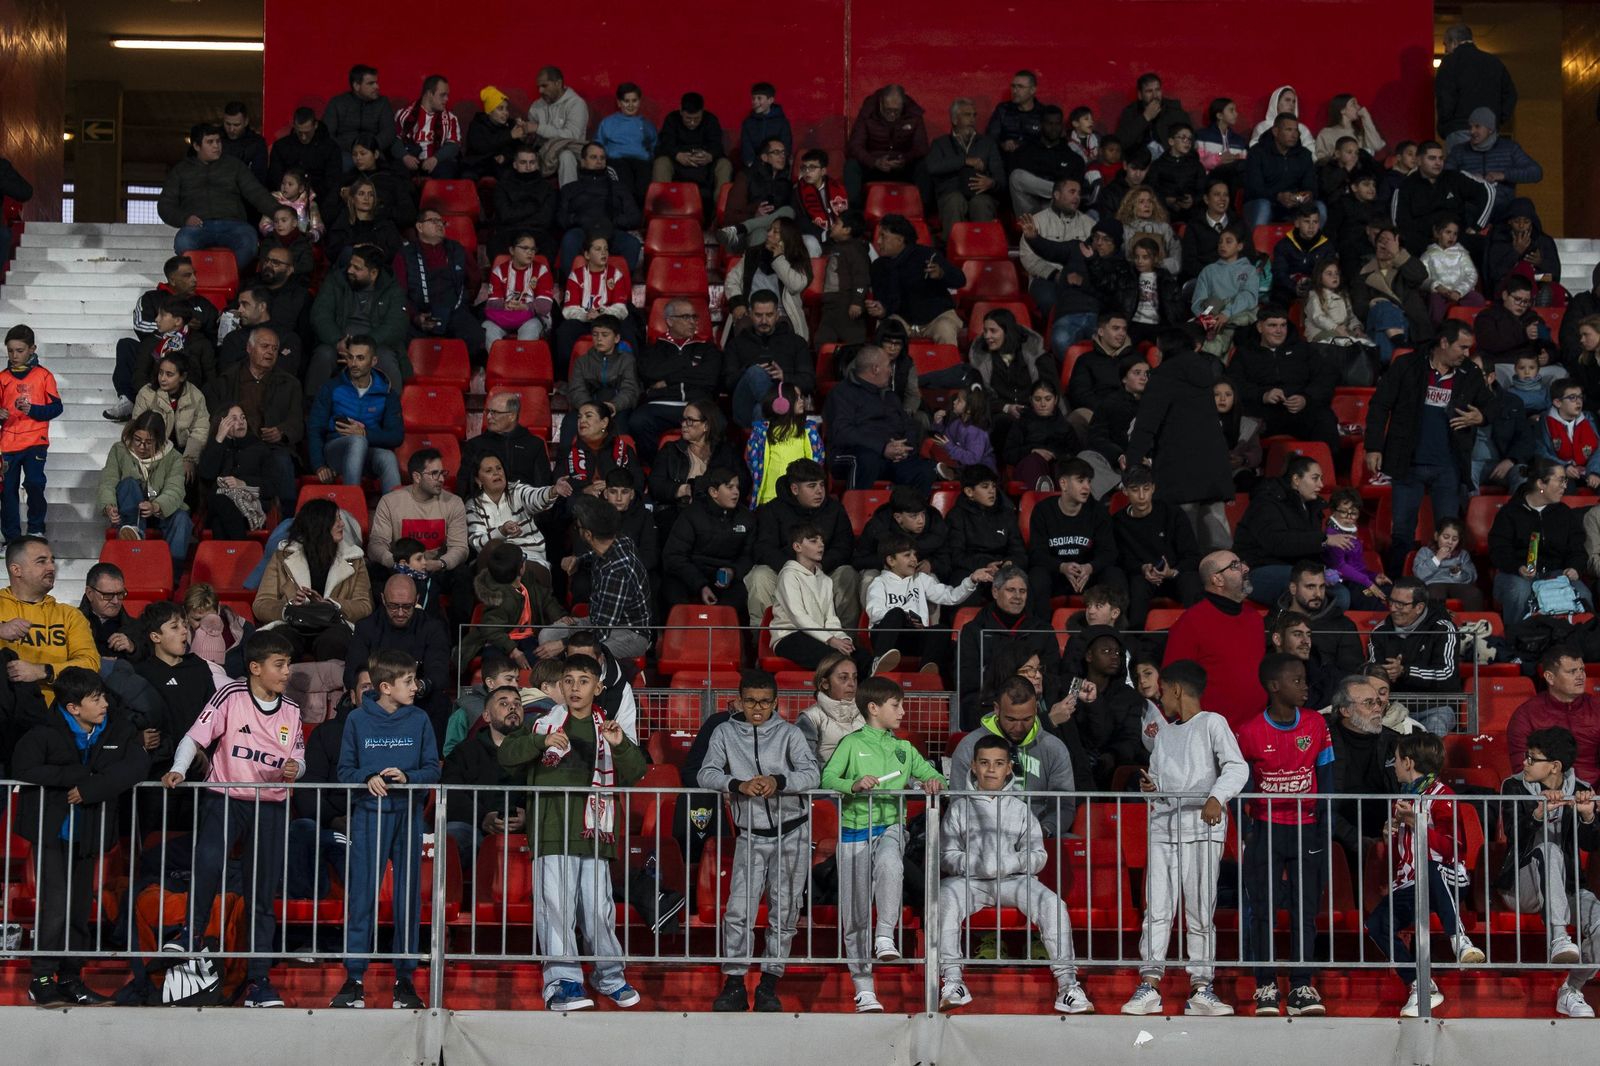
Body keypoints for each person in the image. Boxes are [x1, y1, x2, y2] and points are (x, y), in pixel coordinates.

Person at [159, 629, 303, 1007]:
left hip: (270, 804)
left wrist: (296, 769)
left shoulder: (293, 710)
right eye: (280, 664)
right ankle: (190, 934)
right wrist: (178, 768)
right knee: (208, 861)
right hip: (225, 797)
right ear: (255, 668)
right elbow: (195, 737)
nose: (287, 671)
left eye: (288, 664)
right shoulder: (231, 695)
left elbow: (299, 757)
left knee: (262, 894)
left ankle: (258, 982)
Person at [498, 653, 647, 1011]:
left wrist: (620, 745)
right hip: (552, 833)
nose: (575, 687)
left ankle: (609, 976)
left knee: (599, 911)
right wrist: (541, 744)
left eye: (583, 680)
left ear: (597, 687)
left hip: (596, 835)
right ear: (560, 686)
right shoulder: (542, 725)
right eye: (569, 680)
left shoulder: (608, 729)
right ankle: (562, 984)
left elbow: (637, 771)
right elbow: (506, 755)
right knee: (556, 910)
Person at [13, 667, 146, 1006]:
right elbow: (24, 769)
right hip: (51, 832)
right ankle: (41, 979)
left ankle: (71, 978)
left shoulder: (116, 727)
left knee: (78, 908)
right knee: (55, 907)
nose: (104, 704)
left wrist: (90, 788)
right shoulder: (44, 731)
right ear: (73, 708)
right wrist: (76, 775)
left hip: (90, 831)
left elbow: (136, 766)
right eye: (96, 699)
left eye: (103, 696)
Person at [1120, 659, 1245, 1017]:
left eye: (1163, 692)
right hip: (1163, 829)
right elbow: (1159, 784)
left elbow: (1237, 766)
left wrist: (1216, 797)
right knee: (1156, 909)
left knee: (1199, 910)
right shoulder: (1165, 734)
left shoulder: (1213, 723)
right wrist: (1151, 788)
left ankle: (1201, 988)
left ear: (1176, 689)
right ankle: (1149, 984)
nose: (1161, 700)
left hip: (1202, 831)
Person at [937, 731, 1091, 1015]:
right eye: (984, 763)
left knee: (1052, 904)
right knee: (944, 897)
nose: (991, 769)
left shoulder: (1021, 809)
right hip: (970, 882)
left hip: (1014, 881)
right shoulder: (959, 808)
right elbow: (946, 856)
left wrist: (1008, 862)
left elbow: (1038, 856)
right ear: (973, 766)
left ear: (1009, 767)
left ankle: (1068, 986)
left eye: (998, 763)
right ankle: (953, 982)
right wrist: (975, 864)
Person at [821, 676, 944, 1013]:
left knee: (892, 862)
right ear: (874, 709)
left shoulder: (904, 749)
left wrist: (932, 780)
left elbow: (938, 777)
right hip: (853, 834)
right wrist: (854, 784)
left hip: (889, 827)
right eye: (896, 705)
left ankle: (885, 935)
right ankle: (864, 989)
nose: (903, 711)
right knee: (856, 914)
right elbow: (828, 778)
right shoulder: (851, 743)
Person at [701, 670, 820, 1013]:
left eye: (765, 702)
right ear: (738, 701)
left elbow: (811, 773)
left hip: (793, 832)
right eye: (751, 700)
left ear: (776, 703)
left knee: (784, 913)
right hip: (750, 835)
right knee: (738, 912)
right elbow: (705, 772)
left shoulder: (790, 733)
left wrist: (779, 781)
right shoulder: (724, 732)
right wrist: (736, 784)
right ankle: (735, 983)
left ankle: (769, 984)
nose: (757, 708)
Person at [328, 649, 439, 1010]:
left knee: (408, 898)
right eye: (409, 682)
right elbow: (345, 771)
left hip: (408, 815)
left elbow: (432, 769)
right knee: (362, 897)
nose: (416, 686)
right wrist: (366, 778)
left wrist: (408, 777)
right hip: (367, 816)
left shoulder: (420, 718)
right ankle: (354, 977)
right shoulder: (358, 720)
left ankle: (405, 979)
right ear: (386, 687)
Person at [1236, 653, 1333, 1017]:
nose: (1305, 687)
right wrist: (1245, 829)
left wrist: (1323, 822)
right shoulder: (1248, 731)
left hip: (1306, 830)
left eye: (1304, 679)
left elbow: (1328, 778)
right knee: (1263, 912)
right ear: (1274, 686)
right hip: (1265, 830)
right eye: (1297, 681)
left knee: (1304, 911)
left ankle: (1301, 985)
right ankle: (1265, 985)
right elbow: (1242, 785)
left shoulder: (1315, 724)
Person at [1364, 730, 1485, 1017]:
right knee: (1377, 923)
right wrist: (1389, 837)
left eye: (1395, 760)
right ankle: (1421, 986)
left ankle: (1460, 940)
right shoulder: (1402, 801)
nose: (1392, 766)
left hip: (1447, 877)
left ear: (1408, 762)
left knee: (1431, 867)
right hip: (1411, 883)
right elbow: (1403, 856)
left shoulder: (1444, 797)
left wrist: (1417, 822)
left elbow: (1451, 848)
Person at [1364, 321, 1492, 570]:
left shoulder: (1469, 373)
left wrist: (1482, 416)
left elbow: (1493, 405)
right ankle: (1397, 583)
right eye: (1462, 347)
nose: (1467, 354)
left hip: (1449, 466)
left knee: (1448, 531)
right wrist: (1373, 446)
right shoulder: (1407, 365)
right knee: (1402, 530)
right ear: (1444, 343)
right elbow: (1379, 405)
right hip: (1407, 462)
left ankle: (1441, 582)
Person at [1496, 726, 1600, 1017]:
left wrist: (1589, 815)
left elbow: (1591, 844)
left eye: (1532, 759)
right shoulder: (1513, 786)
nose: (1525, 764)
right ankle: (1558, 936)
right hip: (1522, 886)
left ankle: (1571, 990)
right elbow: (1513, 837)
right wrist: (1537, 816)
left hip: (1566, 889)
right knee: (1549, 850)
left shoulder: (1581, 790)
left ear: (1554, 766)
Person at [1126, 327, 1236, 551]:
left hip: (1179, 467)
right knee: (1217, 535)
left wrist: (1132, 464)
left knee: (1185, 538)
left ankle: (1193, 580)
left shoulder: (1163, 377)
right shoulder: (1205, 373)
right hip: (1213, 465)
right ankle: (1228, 579)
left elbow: (1146, 425)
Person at [535, 496, 653, 663]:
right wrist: (579, 560)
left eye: (578, 527)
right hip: (599, 620)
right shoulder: (618, 540)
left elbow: (602, 632)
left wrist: (563, 644)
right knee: (548, 635)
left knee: (584, 655)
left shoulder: (616, 573)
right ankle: (561, 678)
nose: (577, 529)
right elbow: (595, 555)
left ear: (588, 534)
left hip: (630, 632)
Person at [252, 497, 371, 661]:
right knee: (281, 641)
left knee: (334, 641)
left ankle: (334, 686)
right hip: (292, 624)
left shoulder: (354, 558)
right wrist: (289, 607)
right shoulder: (282, 556)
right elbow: (261, 604)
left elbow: (364, 606)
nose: (342, 524)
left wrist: (331, 604)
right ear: (319, 524)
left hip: (333, 624)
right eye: (336, 520)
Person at [105, 255, 221, 421]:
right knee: (126, 345)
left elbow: (214, 336)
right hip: (153, 353)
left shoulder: (203, 304)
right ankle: (128, 399)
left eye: (194, 274)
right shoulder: (151, 298)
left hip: (190, 355)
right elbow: (140, 325)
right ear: (172, 280)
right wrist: (169, 331)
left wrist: (190, 331)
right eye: (187, 276)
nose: (195, 280)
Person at [1161, 550, 1266, 729]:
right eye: (1235, 566)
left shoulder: (1255, 618)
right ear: (1217, 579)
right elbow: (1172, 681)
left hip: (1256, 734)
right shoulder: (1191, 622)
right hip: (1209, 737)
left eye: (1242, 563)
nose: (1246, 568)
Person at [770, 524, 886, 677]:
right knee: (836, 661)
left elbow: (830, 618)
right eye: (813, 541)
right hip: (789, 636)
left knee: (861, 656)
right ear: (797, 546)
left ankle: (866, 693)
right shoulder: (789, 575)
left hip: (819, 637)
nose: (821, 545)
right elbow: (797, 615)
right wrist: (830, 639)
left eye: (822, 542)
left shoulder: (825, 580)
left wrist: (842, 638)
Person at [1488, 457, 1593, 625]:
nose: (1565, 486)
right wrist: (1517, 567)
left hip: (1557, 574)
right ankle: (1515, 642)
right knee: (1519, 593)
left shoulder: (1564, 513)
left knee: (1583, 594)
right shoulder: (1510, 513)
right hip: (1516, 575)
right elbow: (1498, 550)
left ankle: (1576, 643)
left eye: (1565, 481)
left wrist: (1575, 568)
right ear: (1541, 484)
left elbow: (1577, 548)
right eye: (1560, 480)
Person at [158, 123, 277, 268]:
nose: (216, 146)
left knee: (250, 242)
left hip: (233, 224)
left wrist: (277, 211)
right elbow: (165, 205)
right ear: (196, 146)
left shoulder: (234, 166)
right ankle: (202, 277)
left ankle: (225, 275)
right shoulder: (180, 171)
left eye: (218, 141)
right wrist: (184, 218)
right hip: (198, 226)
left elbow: (256, 192)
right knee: (183, 242)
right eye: (210, 142)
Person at [1232, 456, 1344, 607]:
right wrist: (1323, 540)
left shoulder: (1312, 506)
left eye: (1321, 479)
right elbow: (1277, 542)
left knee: (1341, 593)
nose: (1321, 484)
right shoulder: (1266, 502)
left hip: (1294, 569)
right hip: (1255, 570)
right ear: (1296, 479)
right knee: (1332, 595)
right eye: (1315, 478)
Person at [346, 575, 452, 734]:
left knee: (440, 702)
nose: (400, 613)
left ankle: (433, 758)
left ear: (417, 599)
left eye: (407, 606)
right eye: (393, 606)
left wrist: (418, 686)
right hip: (377, 700)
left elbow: (439, 671)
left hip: (416, 698)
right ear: (382, 599)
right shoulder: (366, 627)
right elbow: (352, 672)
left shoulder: (432, 628)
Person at [954, 565, 1055, 729]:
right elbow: (967, 681)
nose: (1017, 596)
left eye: (1022, 591)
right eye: (1011, 590)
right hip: (988, 706)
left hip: (1034, 705)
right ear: (995, 592)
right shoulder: (974, 631)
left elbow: (1052, 674)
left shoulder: (1042, 630)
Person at [824, 345, 935, 493]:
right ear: (875, 369)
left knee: (924, 470)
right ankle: (855, 513)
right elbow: (842, 432)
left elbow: (909, 425)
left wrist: (904, 448)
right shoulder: (841, 393)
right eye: (888, 365)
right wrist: (882, 447)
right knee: (867, 460)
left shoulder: (889, 395)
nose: (891, 371)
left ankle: (909, 514)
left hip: (891, 457)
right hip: (853, 454)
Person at [1230, 305, 1340, 451]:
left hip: (1300, 410)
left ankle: (1326, 470)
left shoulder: (1303, 349)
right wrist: (1262, 395)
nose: (1279, 331)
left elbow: (1325, 378)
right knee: (1239, 423)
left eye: (1283, 325)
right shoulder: (1244, 353)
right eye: (1272, 325)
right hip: (1261, 412)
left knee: (1324, 419)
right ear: (1259, 327)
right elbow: (1234, 384)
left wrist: (1305, 398)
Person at [306, 246, 408, 401]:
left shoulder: (392, 289)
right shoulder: (336, 281)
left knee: (387, 359)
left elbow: (396, 325)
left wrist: (366, 345)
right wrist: (336, 339)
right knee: (323, 355)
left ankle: (392, 410)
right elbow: (320, 314)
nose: (349, 270)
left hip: (376, 343)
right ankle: (312, 406)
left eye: (357, 268)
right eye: (350, 265)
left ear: (373, 274)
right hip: (339, 341)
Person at [440, 681, 526, 864]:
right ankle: (450, 894)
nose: (513, 707)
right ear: (486, 716)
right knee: (453, 834)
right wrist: (482, 818)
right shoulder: (465, 752)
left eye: (517, 704)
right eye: (503, 703)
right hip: (475, 827)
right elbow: (452, 794)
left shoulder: (535, 750)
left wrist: (528, 816)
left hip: (526, 830)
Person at [1365, 577, 1464, 735]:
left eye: (1401, 604)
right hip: (1392, 708)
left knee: (1434, 727)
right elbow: (1371, 673)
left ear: (1419, 607)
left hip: (1437, 707)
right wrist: (1384, 674)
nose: (1393, 608)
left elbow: (1447, 674)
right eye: (1391, 602)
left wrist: (1405, 671)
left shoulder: (1443, 629)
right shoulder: (1380, 632)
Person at [1026, 457, 1122, 615]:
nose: (1087, 487)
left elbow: (1109, 552)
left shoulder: (1098, 511)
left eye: (1089, 481)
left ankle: (1115, 632)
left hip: (1089, 576)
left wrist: (1090, 567)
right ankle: (1040, 634)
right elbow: (1036, 553)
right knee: (1037, 576)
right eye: (1081, 481)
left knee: (1114, 574)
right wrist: (1061, 567)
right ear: (1063, 483)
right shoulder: (1043, 510)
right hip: (1056, 575)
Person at [628, 298, 721, 461]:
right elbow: (649, 373)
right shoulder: (653, 349)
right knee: (638, 421)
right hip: (661, 405)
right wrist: (690, 369)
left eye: (694, 317)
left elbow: (710, 378)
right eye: (686, 317)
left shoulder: (706, 348)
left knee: (719, 421)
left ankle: (708, 471)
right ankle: (656, 466)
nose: (692, 322)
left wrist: (668, 379)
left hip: (698, 404)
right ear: (669, 321)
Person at [307, 334, 402, 493]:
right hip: (336, 452)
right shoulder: (331, 388)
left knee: (388, 457)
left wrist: (364, 433)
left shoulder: (387, 393)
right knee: (357, 442)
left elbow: (396, 436)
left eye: (360, 358)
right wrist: (319, 465)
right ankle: (351, 505)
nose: (353, 363)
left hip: (368, 454)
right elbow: (315, 428)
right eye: (350, 358)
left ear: (373, 361)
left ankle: (395, 515)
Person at [96, 411, 191, 563]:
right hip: (131, 510)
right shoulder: (119, 450)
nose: (141, 446)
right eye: (137, 440)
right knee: (129, 484)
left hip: (159, 511)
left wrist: (156, 506)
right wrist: (109, 506)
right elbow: (108, 481)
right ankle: (133, 532)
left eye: (149, 442)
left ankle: (171, 575)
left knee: (182, 519)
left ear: (159, 441)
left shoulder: (174, 458)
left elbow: (175, 490)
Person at [1114, 464, 1202, 628]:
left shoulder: (1173, 514)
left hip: (1176, 574)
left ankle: (1199, 633)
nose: (1141, 496)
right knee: (1137, 585)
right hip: (1143, 577)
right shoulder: (1118, 522)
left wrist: (1173, 572)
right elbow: (1120, 559)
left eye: (1146, 489)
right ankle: (1135, 640)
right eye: (1134, 490)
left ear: (1153, 488)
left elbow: (1192, 555)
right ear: (1125, 491)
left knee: (1191, 580)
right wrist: (1142, 568)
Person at [396, 210, 486, 362]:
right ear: (419, 226)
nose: (440, 225)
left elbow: (474, 280)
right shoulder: (405, 254)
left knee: (475, 337)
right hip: (419, 313)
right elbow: (399, 292)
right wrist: (416, 317)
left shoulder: (457, 249)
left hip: (455, 311)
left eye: (441, 222)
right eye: (434, 221)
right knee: (400, 337)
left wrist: (462, 301)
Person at [0, 325, 61, 540]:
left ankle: (36, 528)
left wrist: (33, 409)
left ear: (32, 349)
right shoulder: (3, 378)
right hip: (8, 443)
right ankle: (12, 537)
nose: (14, 355)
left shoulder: (43, 376)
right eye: (10, 351)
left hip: (36, 439)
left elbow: (56, 408)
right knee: (7, 491)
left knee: (34, 483)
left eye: (19, 350)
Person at [865, 214, 964, 346]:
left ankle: (952, 366)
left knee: (945, 329)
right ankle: (887, 367)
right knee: (886, 329)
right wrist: (882, 310)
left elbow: (960, 280)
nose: (878, 241)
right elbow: (883, 300)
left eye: (883, 236)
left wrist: (942, 274)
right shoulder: (878, 266)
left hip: (937, 317)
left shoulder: (928, 255)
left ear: (900, 239)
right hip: (901, 319)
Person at [555, 144, 643, 278]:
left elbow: (635, 217)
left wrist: (614, 221)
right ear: (583, 161)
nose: (599, 161)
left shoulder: (619, 188)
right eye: (593, 157)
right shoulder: (570, 189)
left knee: (632, 244)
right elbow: (560, 218)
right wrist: (579, 220)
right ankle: (570, 288)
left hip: (611, 231)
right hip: (581, 232)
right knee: (570, 239)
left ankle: (619, 288)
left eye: (602, 158)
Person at [1391, 142, 1491, 258]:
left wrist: (1476, 227)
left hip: (1458, 240)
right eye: (1432, 158)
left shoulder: (1454, 177)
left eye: (1441, 158)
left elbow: (1487, 190)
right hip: (1423, 245)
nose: (1438, 163)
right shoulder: (1405, 187)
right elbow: (1400, 225)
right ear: (1418, 160)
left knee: (1483, 244)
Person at [555, 235, 634, 381]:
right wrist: (586, 316)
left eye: (606, 249)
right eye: (598, 249)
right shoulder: (576, 276)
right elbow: (569, 310)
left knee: (629, 330)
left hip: (609, 320)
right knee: (564, 331)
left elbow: (621, 309)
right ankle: (565, 378)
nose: (604, 253)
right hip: (584, 321)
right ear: (586, 254)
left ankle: (630, 378)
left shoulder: (615, 275)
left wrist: (602, 313)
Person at [926, 98, 1004, 238]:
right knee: (955, 200)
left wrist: (992, 183)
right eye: (967, 115)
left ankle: (983, 252)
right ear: (955, 120)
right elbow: (933, 167)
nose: (972, 119)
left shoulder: (987, 143)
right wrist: (964, 161)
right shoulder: (940, 143)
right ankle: (952, 250)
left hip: (981, 194)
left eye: (974, 115)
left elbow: (1000, 179)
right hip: (951, 193)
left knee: (980, 203)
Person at [1435, 23, 1519, 150]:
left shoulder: (1450, 62)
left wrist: (1446, 126)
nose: (1446, 50)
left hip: (1459, 128)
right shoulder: (1494, 62)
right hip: (1489, 131)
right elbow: (1511, 95)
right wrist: (1496, 120)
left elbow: (1445, 97)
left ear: (1453, 42)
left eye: (1445, 45)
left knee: (1461, 168)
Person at [845, 85, 929, 205]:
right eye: (888, 110)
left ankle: (923, 211)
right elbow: (854, 146)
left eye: (896, 111)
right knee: (851, 165)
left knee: (924, 165)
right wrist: (874, 162)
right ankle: (855, 213)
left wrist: (905, 159)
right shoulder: (867, 113)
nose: (892, 115)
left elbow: (922, 147)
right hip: (874, 166)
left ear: (903, 105)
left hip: (902, 166)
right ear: (880, 103)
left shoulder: (913, 114)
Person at [652, 93, 732, 218]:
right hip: (679, 164)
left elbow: (717, 146)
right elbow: (666, 144)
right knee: (661, 162)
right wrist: (678, 155)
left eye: (697, 118)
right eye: (688, 118)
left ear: (702, 112)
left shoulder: (710, 120)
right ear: (681, 111)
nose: (693, 123)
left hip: (705, 166)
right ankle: (662, 212)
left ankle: (720, 215)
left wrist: (709, 156)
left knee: (724, 164)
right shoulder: (672, 119)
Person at [716, 138, 798, 254]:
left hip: (779, 234)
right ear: (764, 157)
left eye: (784, 152)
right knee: (759, 233)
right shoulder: (746, 176)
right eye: (776, 152)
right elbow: (730, 216)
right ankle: (756, 270)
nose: (782, 156)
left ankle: (744, 227)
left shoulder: (787, 183)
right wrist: (755, 214)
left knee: (788, 211)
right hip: (747, 236)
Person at [1243, 113, 1318, 229]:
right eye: (1289, 130)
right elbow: (1254, 188)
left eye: (1296, 130)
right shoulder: (1257, 153)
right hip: (1263, 203)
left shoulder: (1304, 155)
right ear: (1275, 131)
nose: (1294, 135)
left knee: (1320, 207)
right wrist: (1278, 196)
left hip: (1295, 205)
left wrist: (1301, 197)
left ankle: (1316, 246)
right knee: (1263, 206)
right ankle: (1255, 246)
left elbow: (1310, 186)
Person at [1007, 106, 1085, 217]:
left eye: (1057, 124)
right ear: (1041, 124)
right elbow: (1015, 184)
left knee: (1070, 191)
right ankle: (1059, 192)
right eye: (1049, 123)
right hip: (1029, 208)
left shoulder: (1072, 158)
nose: (1053, 128)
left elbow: (1076, 192)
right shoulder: (1025, 150)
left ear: (1062, 126)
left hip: (1054, 208)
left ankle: (1058, 194)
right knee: (1016, 176)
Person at [482, 229, 555, 345]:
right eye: (525, 248)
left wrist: (525, 307)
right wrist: (506, 305)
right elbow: (492, 303)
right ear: (512, 250)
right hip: (504, 316)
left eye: (533, 249)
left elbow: (545, 306)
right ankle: (499, 362)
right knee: (488, 328)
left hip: (533, 318)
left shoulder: (542, 270)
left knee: (530, 328)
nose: (530, 252)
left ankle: (521, 363)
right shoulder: (499, 271)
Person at [492, 145, 559, 259]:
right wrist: (534, 205)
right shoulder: (502, 186)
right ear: (515, 165)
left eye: (532, 162)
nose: (528, 167)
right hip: (508, 234)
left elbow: (545, 220)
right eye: (523, 162)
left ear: (537, 165)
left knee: (550, 246)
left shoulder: (548, 188)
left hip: (538, 234)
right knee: (495, 245)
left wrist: (517, 210)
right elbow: (505, 215)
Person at [527, 66, 590, 187]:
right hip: (544, 154)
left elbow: (572, 136)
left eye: (544, 86)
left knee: (566, 155)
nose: (540, 91)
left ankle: (569, 200)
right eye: (538, 87)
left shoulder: (576, 104)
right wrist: (525, 133)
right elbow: (533, 138)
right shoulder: (536, 106)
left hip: (572, 152)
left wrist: (538, 128)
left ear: (558, 83)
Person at [269, 107, 342, 208]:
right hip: (286, 202)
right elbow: (275, 178)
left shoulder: (330, 148)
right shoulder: (281, 146)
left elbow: (333, 182)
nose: (303, 137)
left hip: (320, 201)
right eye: (299, 132)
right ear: (294, 126)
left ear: (315, 125)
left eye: (307, 133)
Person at [391, 74, 460, 178]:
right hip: (409, 160)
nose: (447, 99)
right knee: (397, 170)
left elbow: (454, 145)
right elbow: (394, 139)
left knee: (448, 169)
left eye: (447, 95)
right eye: (442, 95)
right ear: (429, 94)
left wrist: (436, 158)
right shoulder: (404, 115)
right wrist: (404, 156)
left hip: (437, 163)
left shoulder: (450, 119)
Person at [325, 64, 397, 161]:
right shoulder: (337, 103)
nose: (377, 86)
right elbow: (327, 134)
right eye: (371, 83)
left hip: (374, 152)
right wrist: (353, 149)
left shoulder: (382, 102)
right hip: (344, 152)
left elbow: (389, 132)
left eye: (376, 82)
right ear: (356, 86)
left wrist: (370, 148)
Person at [1115, 73, 1192, 157]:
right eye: (1149, 91)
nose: (1155, 95)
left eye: (1157, 90)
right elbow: (1120, 143)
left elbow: (1190, 138)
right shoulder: (1130, 112)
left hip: (1169, 162)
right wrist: (1145, 117)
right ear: (1140, 95)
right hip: (1140, 164)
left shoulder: (1174, 110)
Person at [465, 85, 530, 181]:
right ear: (490, 111)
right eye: (500, 109)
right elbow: (482, 147)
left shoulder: (511, 124)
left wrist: (506, 157)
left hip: (501, 166)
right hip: (478, 164)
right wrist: (510, 135)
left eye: (506, 108)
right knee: (467, 176)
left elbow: (517, 150)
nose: (506, 112)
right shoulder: (477, 125)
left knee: (510, 174)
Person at [987, 70, 1045, 167]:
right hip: (1004, 160)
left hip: (1033, 164)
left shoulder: (1043, 113)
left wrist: (1021, 145)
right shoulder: (1003, 110)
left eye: (1020, 87)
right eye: (1013, 86)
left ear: (1032, 90)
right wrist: (1003, 144)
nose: (1015, 91)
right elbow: (991, 137)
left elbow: (1046, 143)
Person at [1314, 94, 1385, 163]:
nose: (1358, 107)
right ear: (1342, 110)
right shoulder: (1327, 133)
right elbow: (1320, 160)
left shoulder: (1360, 133)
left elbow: (1377, 146)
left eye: (1358, 104)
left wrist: (1366, 117)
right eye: (1353, 104)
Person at [740, 82, 793, 169]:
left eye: (759, 98)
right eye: (753, 99)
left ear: (770, 100)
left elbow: (786, 146)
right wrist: (752, 165)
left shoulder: (782, 123)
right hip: (755, 167)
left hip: (776, 166)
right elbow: (746, 149)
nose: (755, 102)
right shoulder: (748, 123)